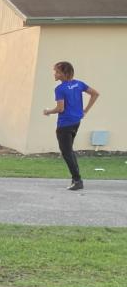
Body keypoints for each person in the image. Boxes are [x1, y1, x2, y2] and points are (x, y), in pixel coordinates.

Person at [43, 61, 100, 191]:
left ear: (65, 73)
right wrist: (85, 111)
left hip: (65, 124)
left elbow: (60, 108)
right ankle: (76, 179)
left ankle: (78, 180)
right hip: (76, 122)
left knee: (67, 152)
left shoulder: (60, 89)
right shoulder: (79, 84)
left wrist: (48, 112)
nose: (55, 74)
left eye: (57, 72)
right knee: (69, 151)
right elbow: (95, 94)